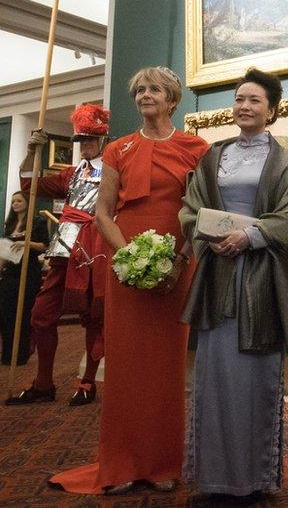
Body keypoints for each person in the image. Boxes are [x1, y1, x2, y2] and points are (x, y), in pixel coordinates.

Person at [48, 66, 209, 495]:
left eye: (154, 89)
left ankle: (161, 463)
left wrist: (178, 261)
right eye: (139, 90)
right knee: (126, 366)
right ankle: (120, 462)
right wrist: (131, 258)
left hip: (178, 262)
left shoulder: (197, 147)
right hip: (126, 263)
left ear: (172, 99)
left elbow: (202, 214)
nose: (144, 96)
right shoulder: (118, 149)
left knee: (167, 366)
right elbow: (102, 213)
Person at [180, 68, 288, 500]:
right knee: (213, 375)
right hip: (217, 276)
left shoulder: (285, 160)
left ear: (271, 110)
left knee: (254, 377)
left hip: (259, 280)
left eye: (254, 100)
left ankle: (253, 479)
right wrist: (212, 238)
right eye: (239, 99)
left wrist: (248, 237)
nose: (244, 106)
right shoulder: (213, 156)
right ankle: (213, 478)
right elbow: (189, 208)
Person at [5, 104, 109, 405]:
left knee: (92, 318)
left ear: (102, 140)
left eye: (90, 139)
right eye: (81, 140)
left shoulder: (114, 171)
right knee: (40, 316)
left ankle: (88, 382)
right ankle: (44, 383)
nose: (85, 145)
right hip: (64, 248)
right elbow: (29, 185)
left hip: (94, 249)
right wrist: (31, 151)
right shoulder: (71, 174)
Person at [0, 191, 48, 366]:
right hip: (11, 270)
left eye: (19, 200)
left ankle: (20, 354)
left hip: (28, 271)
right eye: (13, 201)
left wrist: (26, 242)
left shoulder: (38, 222)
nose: (15, 204)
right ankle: (7, 354)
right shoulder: (10, 223)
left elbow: (44, 246)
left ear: (28, 202)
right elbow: (6, 248)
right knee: (6, 312)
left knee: (24, 312)